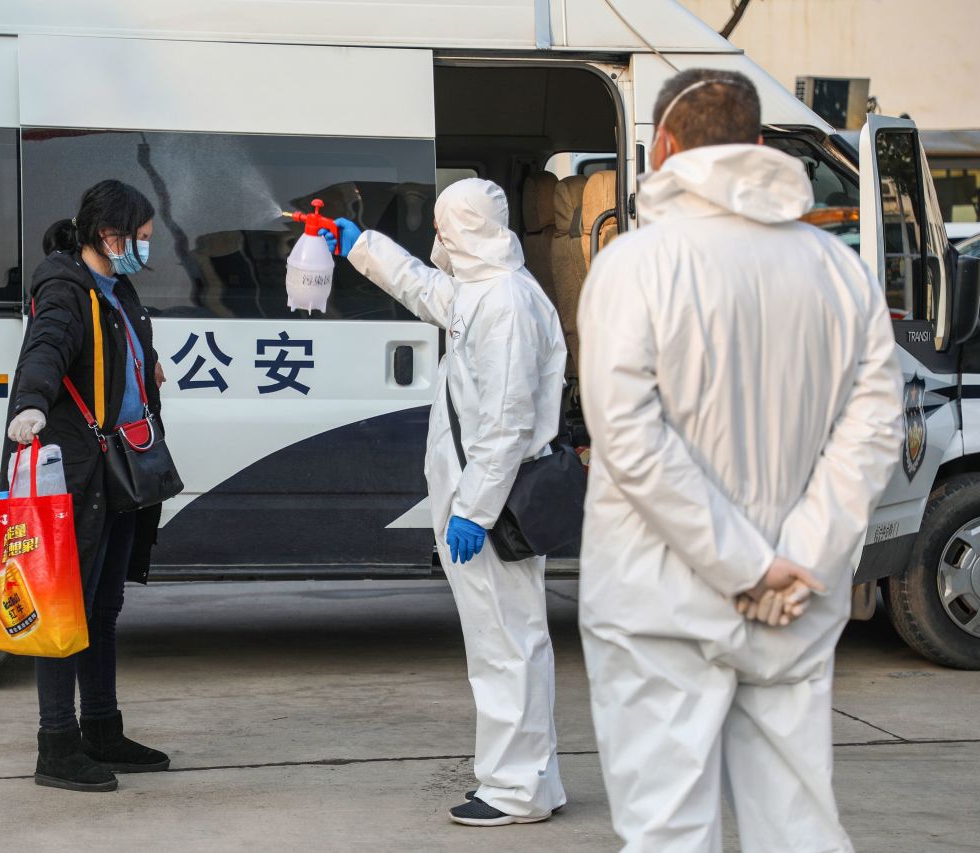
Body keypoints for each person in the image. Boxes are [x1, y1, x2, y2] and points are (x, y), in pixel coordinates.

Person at [576, 69, 903, 851]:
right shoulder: (837, 268)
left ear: (663, 145)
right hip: (796, 599)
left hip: (661, 597)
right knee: (798, 824)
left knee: (666, 828)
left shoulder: (635, 265)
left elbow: (628, 437)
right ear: (759, 146)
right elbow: (876, 425)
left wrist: (741, 564)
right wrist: (799, 557)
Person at [325, 178, 569, 827]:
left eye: (443, 228)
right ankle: (531, 780)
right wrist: (363, 248)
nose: (436, 241)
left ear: (463, 232)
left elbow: (509, 422)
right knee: (507, 640)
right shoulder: (485, 290)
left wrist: (475, 510)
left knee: (505, 645)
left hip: (495, 504)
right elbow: (427, 291)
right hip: (482, 498)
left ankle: (515, 789)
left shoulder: (509, 306)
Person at [2, 179, 172, 793]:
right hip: (76, 472)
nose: (146, 250)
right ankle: (57, 744)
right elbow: (44, 350)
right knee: (63, 607)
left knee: (103, 607)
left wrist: (142, 369)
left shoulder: (116, 287)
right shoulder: (65, 287)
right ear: (110, 235)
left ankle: (101, 729)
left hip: (120, 467)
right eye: (142, 239)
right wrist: (30, 405)